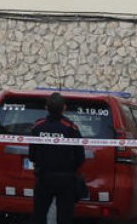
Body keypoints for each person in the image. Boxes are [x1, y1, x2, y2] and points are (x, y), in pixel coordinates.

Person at [28, 93, 86, 224]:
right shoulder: (70, 128)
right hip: (66, 179)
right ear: (64, 108)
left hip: (43, 178)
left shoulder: (38, 126)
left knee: (39, 214)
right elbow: (80, 156)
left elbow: (32, 154)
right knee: (65, 217)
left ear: (46, 107)